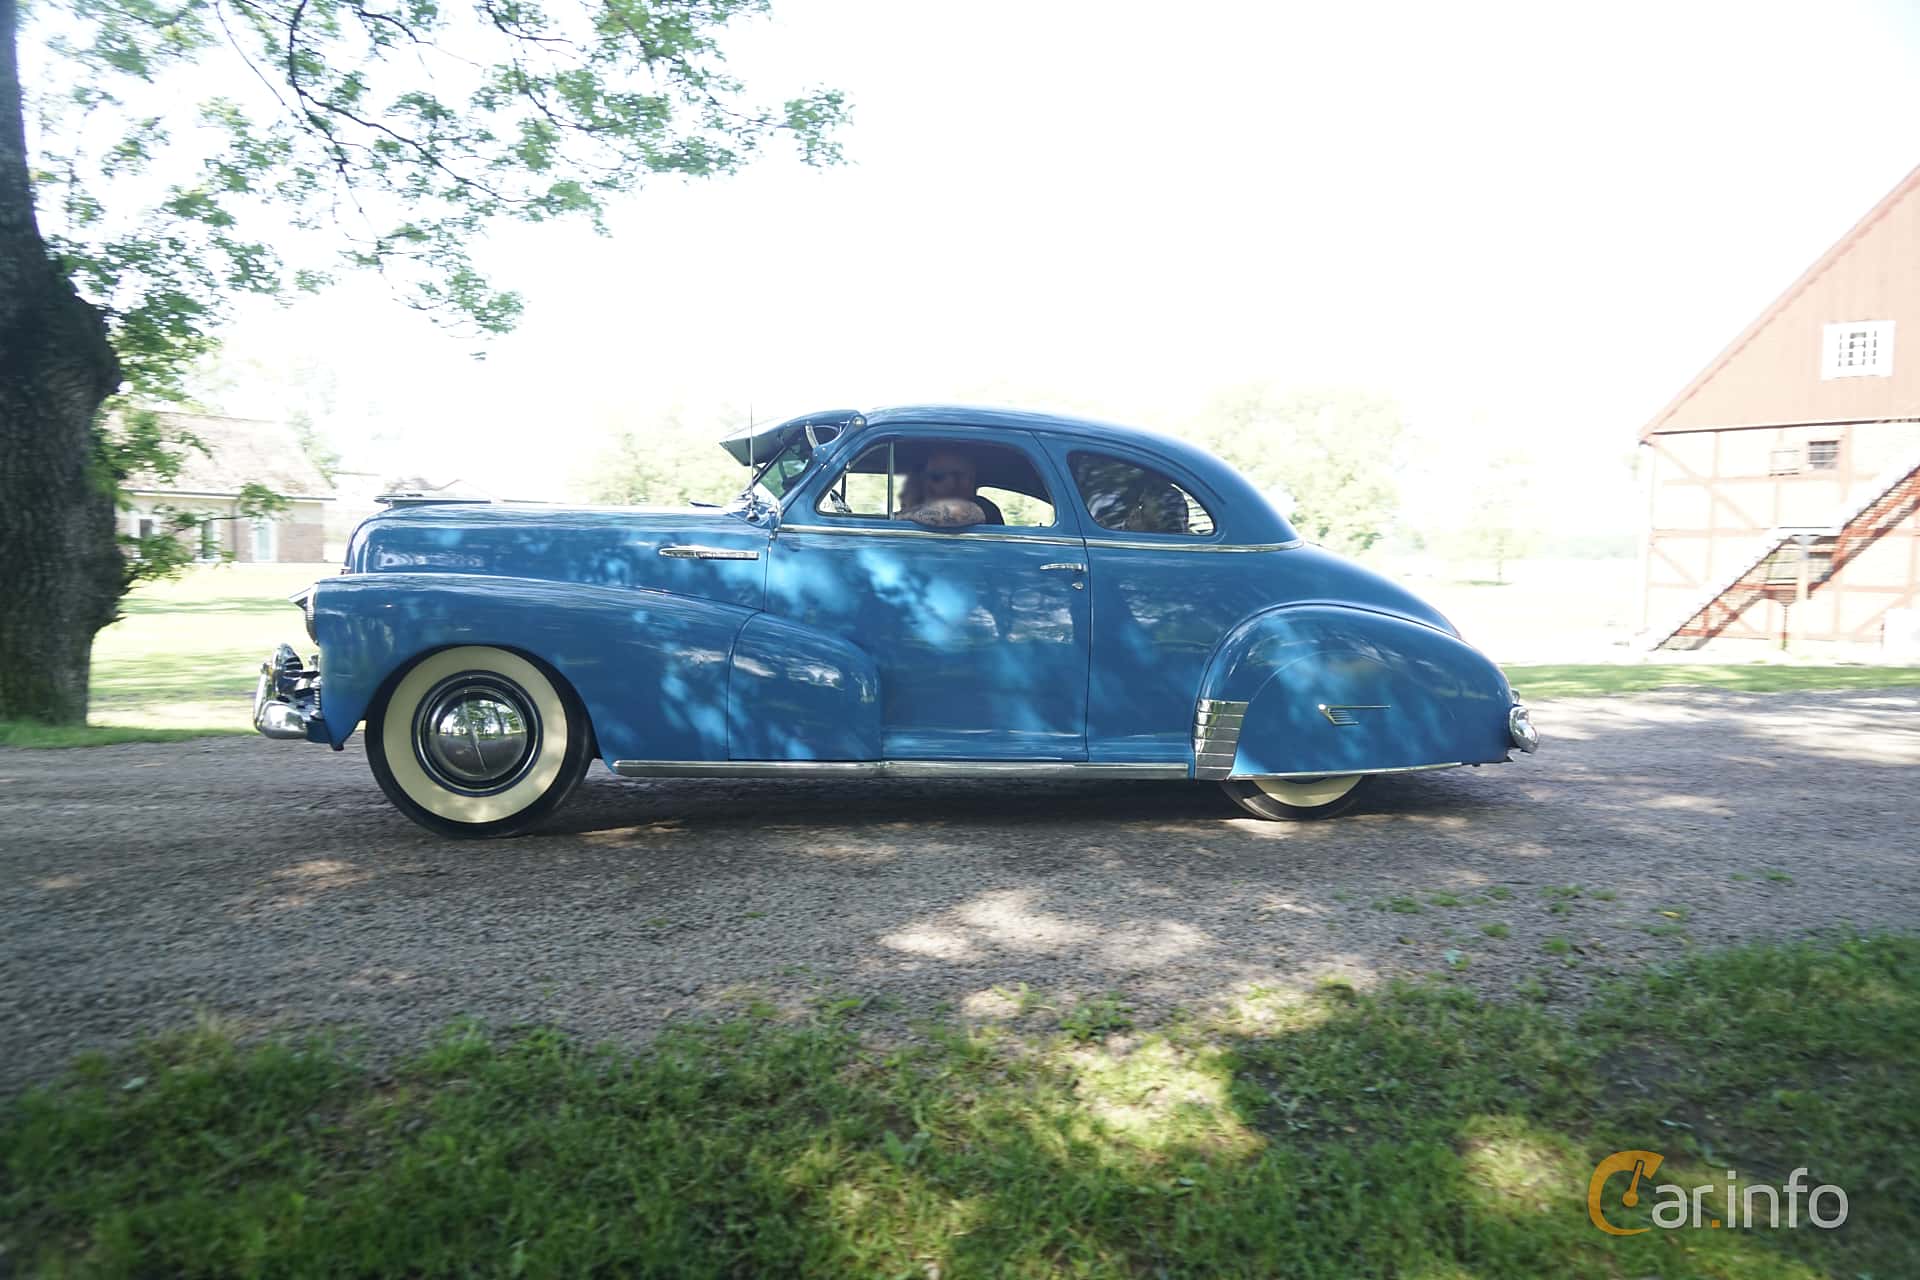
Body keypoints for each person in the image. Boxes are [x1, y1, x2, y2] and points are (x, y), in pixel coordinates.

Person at [898, 448, 1005, 526]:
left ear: (961, 480)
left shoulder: (984, 507)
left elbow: (955, 513)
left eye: (936, 476)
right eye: (924, 477)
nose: (927, 483)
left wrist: (901, 517)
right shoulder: (922, 510)